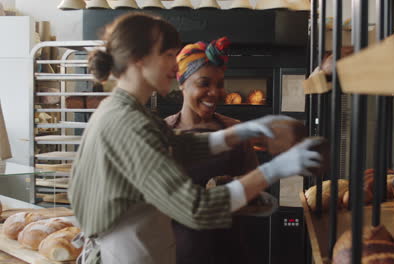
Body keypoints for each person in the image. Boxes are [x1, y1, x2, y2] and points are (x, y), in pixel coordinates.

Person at [68, 13, 322, 264]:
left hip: (144, 247)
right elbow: (195, 209)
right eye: (168, 55)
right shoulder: (128, 123)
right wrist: (275, 169)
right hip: (129, 255)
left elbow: (177, 143)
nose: (174, 66)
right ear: (139, 60)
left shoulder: (126, 110)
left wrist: (244, 131)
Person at [165, 37, 258, 264]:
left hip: (229, 252)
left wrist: (236, 185)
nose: (215, 92)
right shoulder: (163, 132)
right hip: (175, 254)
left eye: (219, 84)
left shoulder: (235, 130)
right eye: (204, 83)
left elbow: (257, 187)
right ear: (182, 83)